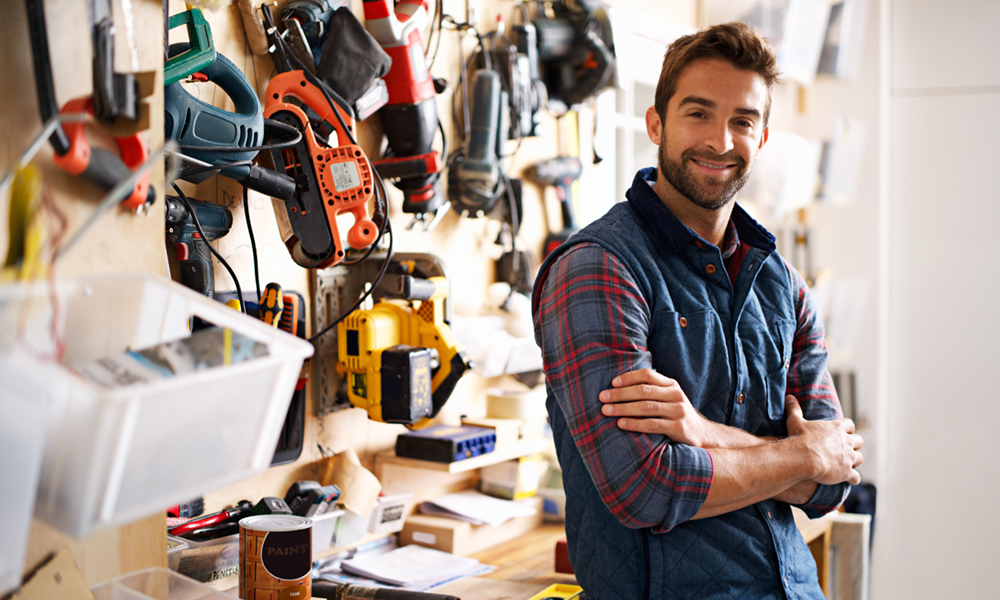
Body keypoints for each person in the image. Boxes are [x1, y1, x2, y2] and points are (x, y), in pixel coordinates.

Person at [531, 22, 863, 600]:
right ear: (656, 124)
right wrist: (802, 453)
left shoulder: (779, 282)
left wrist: (704, 433)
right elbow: (646, 487)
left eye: (743, 120)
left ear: (762, 138)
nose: (720, 140)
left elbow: (834, 482)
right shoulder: (598, 268)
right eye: (699, 113)